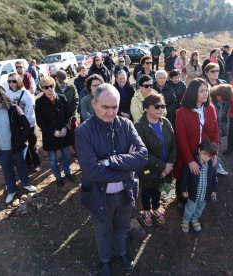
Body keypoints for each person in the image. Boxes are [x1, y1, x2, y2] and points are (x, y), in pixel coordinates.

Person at [75, 83, 148, 275]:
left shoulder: (126, 124)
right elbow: (91, 172)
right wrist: (127, 167)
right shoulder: (83, 132)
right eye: (105, 107)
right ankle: (105, 259)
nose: (110, 112)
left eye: (114, 107)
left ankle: (121, 251)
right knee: (102, 232)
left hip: (126, 191)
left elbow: (142, 156)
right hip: (100, 196)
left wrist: (109, 161)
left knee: (122, 227)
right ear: (93, 104)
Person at [0, 85, 37, 203]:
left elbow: (26, 125)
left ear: (1, 93)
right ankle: (11, 190)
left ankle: (26, 184)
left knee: (22, 167)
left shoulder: (12, 108)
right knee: (7, 171)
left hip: (16, 148)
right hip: (0, 150)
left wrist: (20, 140)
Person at [174, 78, 219, 208]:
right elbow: (181, 138)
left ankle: (196, 199)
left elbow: (215, 130)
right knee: (184, 176)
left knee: (201, 176)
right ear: (193, 92)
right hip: (187, 152)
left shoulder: (210, 108)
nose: (205, 94)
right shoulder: (182, 112)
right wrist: (190, 160)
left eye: (207, 90)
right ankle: (181, 199)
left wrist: (214, 152)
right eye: (201, 91)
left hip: (205, 152)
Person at [135, 94, 177, 227]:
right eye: (157, 106)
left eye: (163, 106)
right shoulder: (139, 127)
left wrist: (169, 165)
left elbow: (173, 145)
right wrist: (162, 165)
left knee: (159, 188)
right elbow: (143, 152)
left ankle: (156, 207)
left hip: (167, 167)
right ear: (146, 108)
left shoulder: (166, 122)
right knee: (147, 190)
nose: (161, 109)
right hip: (149, 168)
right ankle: (146, 210)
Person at [35, 76, 76, 187]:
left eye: (52, 86)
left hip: (63, 134)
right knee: (52, 160)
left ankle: (67, 173)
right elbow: (40, 122)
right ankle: (58, 178)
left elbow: (69, 116)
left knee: (66, 155)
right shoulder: (39, 102)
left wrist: (65, 128)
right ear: (42, 89)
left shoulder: (62, 97)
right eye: (46, 87)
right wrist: (53, 132)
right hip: (50, 136)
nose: (50, 89)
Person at [180, 140, 218, 233]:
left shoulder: (211, 165)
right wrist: (184, 189)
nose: (205, 158)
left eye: (209, 156)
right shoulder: (191, 163)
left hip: (205, 193)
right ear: (199, 150)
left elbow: (214, 178)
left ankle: (194, 219)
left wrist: (214, 190)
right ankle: (186, 220)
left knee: (200, 208)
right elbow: (184, 177)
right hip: (193, 193)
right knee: (190, 208)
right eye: (204, 154)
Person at [6, 72, 40, 172]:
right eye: (9, 81)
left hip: (29, 124)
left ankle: (36, 163)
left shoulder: (26, 93)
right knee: (23, 145)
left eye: (14, 81)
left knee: (32, 145)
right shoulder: (7, 94)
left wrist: (25, 124)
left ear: (19, 81)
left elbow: (30, 110)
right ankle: (28, 163)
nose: (11, 83)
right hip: (17, 126)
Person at [210, 84, 233, 176]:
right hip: (211, 132)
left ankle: (216, 166)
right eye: (224, 99)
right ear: (218, 96)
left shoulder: (219, 102)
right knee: (212, 150)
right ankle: (216, 167)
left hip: (216, 130)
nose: (224, 102)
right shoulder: (211, 104)